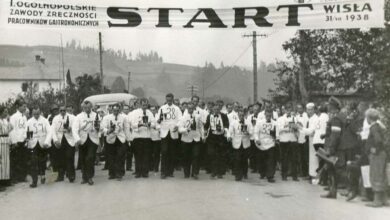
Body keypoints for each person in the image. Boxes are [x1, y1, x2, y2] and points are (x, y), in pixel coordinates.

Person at [321, 97, 345, 199]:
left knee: (334, 169)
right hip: (336, 147)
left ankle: (334, 191)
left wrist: (331, 149)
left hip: (335, 148)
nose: (328, 106)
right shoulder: (339, 116)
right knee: (332, 169)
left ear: (333, 106)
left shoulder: (336, 118)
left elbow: (335, 135)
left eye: (329, 105)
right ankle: (332, 191)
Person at [73, 101, 100, 185]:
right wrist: (77, 139)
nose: (87, 109)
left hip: (93, 139)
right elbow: (74, 129)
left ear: (91, 107)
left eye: (89, 107)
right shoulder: (79, 117)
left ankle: (90, 177)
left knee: (90, 157)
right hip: (82, 140)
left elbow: (100, 126)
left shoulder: (96, 115)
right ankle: (84, 177)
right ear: (83, 108)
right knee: (83, 159)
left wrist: (98, 129)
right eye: (85, 108)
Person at [364, 108, 388, 207]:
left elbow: (378, 140)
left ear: (369, 118)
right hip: (383, 154)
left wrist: (375, 149)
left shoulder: (373, 127)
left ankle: (377, 201)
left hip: (377, 155)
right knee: (382, 175)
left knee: (376, 175)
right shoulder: (379, 126)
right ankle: (384, 199)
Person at [156, 93, 182, 179]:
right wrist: (159, 126)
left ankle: (170, 171)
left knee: (172, 153)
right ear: (166, 99)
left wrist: (177, 126)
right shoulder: (162, 108)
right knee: (164, 152)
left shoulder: (177, 109)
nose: (169, 102)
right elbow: (157, 120)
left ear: (173, 99)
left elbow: (180, 120)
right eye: (167, 100)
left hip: (173, 133)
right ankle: (163, 172)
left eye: (170, 100)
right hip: (164, 133)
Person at [26, 106, 51, 188]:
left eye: (38, 113)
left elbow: (49, 132)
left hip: (42, 144)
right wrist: (27, 141)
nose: (36, 115)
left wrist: (47, 142)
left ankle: (43, 175)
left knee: (42, 161)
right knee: (33, 162)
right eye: (34, 114)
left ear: (40, 112)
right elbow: (27, 134)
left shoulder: (44, 120)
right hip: (33, 144)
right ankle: (34, 181)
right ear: (32, 113)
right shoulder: (29, 122)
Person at [129, 99, 155, 178]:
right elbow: (132, 124)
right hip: (138, 136)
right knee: (138, 155)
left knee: (146, 155)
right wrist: (140, 124)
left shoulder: (150, 113)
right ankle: (138, 172)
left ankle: (145, 172)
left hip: (147, 136)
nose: (145, 107)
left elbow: (154, 124)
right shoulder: (135, 113)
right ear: (140, 105)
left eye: (146, 105)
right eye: (143, 105)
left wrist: (150, 124)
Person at [102, 105, 128, 181]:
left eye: (117, 110)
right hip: (110, 138)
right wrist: (108, 131)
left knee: (120, 156)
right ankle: (112, 173)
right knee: (111, 157)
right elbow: (103, 128)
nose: (116, 112)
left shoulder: (124, 117)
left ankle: (119, 173)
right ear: (111, 110)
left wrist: (128, 138)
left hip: (121, 138)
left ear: (119, 110)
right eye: (114, 110)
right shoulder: (106, 117)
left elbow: (126, 128)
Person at [51, 106, 76, 182]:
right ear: (59, 111)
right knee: (60, 158)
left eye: (64, 110)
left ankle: (71, 175)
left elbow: (75, 128)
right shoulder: (55, 118)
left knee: (69, 157)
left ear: (66, 111)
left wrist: (70, 129)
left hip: (69, 139)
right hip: (60, 139)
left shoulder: (72, 117)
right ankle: (60, 176)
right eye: (61, 110)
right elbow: (53, 130)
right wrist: (55, 140)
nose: (62, 112)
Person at [178, 102, 203, 179]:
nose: (191, 109)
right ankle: (186, 172)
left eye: (192, 108)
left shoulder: (198, 116)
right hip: (186, 139)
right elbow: (180, 129)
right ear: (187, 109)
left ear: (194, 108)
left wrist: (203, 136)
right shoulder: (183, 117)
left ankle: (195, 173)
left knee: (196, 155)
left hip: (196, 138)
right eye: (189, 108)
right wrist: (186, 129)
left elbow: (201, 127)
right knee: (186, 156)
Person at [204, 103, 229, 179]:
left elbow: (227, 125)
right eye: (214, 109)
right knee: (212, 154)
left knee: (220, 155)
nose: (216, 111)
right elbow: (206, 126)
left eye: (217, 109)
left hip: (221, 138)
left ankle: (220, 172)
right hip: (212, 137)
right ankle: (213, 171)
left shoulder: (224, 116)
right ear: (212, 109)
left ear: (220, 109)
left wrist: (223, 130)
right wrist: (205, 135)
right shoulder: (209, 116)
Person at [276, 103, 300, 181]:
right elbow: (279, 129)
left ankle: (294, 176)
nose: (288, 111)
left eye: (290, 109)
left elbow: (298, 128)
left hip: (293, 140)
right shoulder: (280, 119)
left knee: (294, 159)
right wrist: (288, 128)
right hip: (284, 140)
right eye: (287, 109)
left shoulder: (295, 118)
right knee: (284, 159)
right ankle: (284, 175)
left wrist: (296, 128)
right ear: (284, 110)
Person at [228, 109, 252, 181]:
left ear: (244, 115)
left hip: (245, 143)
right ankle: (238, 175)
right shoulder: (234, 122)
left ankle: (245, 172)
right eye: (240, 115)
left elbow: (252, 131)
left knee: (244, 159)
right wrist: (229, 137)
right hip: (237, 143)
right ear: (238, 115)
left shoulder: (248, 122)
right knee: (237, 159)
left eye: (242, 115)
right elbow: (230, 131)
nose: (241, 116)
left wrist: (247, 132)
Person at [254, 108, 277, 183]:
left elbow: (277, 133)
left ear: (272, 115)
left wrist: (276, 138)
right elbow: (256, 132)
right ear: (265, 114)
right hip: (262, 143)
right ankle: (262, 173)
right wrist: (257, 139)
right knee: (262, 160)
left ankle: (270, 176)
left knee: (271, 160)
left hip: (271, 143)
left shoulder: (275, 123)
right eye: (267, 114)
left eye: (270, 114)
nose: (268, 116)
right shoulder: (259, 122)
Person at [9, 99, 28, 183]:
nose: (25, 108)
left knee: (23, 159)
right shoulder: (13, 117)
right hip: (16, 142)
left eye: (25, 106)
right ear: (18, 107)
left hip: (23, 141)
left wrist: (25, 138)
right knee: (16, 160)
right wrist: (14, 142)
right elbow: (12, 130)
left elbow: (25, 128)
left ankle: (22, 177)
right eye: (23, 106)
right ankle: (15, 178)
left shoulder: (24, 117)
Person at [296, 103, 309, 178]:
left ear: (303, 109)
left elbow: (306, 127)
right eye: (298, 108)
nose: (299, 110)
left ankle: (305, 172)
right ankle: (299, 171)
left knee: (304, 157)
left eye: (300, 108)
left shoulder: (306, 116)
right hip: (298, 137)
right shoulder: (296, 116)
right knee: (299, 156)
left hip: (304, 138)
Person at [0, 107, 12, 191]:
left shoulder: (5, 120)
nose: (6, 113)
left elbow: (11, 128)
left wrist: (8, 120)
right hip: (0, 140)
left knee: (6, 162)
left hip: (6, 141)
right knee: (1, 162)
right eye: (5, 112)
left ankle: (5, 180)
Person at [149, 106, 161, 173]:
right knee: (150, 153)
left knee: (156, 153)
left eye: (153, 110)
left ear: (156, 110)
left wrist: (156, 127)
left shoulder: (158, 117)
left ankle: (156, 167)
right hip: (149, 136)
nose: (152, 111)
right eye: (151, 110)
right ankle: (151, 166)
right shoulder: (148, 116)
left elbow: (160, 125)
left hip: (157, 137)